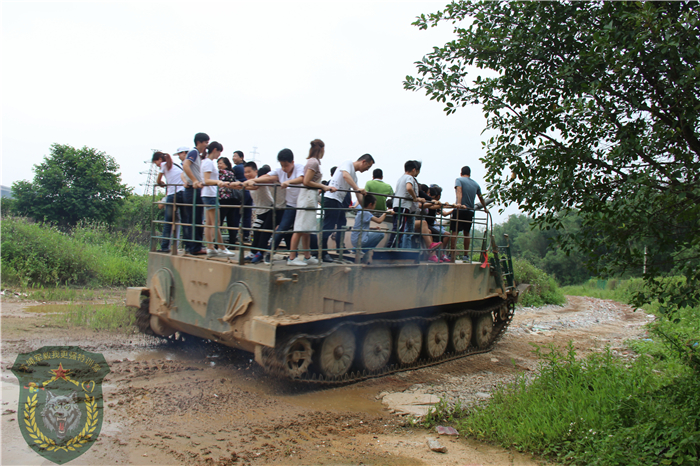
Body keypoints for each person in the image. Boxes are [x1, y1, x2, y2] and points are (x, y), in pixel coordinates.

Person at [243, 148, 305, 263]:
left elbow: (302, 178)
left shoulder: (296, 170)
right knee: (270, 230)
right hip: (279, 207)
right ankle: (261, 253)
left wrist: (288, 182)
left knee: (289, 232)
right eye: (282, 165)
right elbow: (267, 177)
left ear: (292, 162)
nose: (284, 168)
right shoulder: (278, 174)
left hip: (292, 206)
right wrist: (250, 181)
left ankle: (293, 255)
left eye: (286, 165)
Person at [287, 139, 337, 266]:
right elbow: (307, 181)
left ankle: (307, 256)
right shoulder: (313, 162)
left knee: (306, 229)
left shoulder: (312, 162)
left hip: (309, 196)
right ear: (321, 149)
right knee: (299, 228)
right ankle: (292, 258)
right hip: (308, 196)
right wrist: (323, 186)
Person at [321, 154, 375, 262]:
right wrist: (358, 188)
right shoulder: (348, 163)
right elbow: (345, 175)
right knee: (329, 226)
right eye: (367, 167)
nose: (367, 170)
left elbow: (358, 194)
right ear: (363, 162)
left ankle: (340, 247)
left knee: (342, 222)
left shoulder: (354, 177)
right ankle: (321, 252)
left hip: (338, 201)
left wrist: (365, 207)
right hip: (331, 198)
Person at [201, 142, 235, 258]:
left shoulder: (206, 162)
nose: (219, 155)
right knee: (216, 222)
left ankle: (210, 247)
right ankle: (221, 247)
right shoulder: (208, 163)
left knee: (210, 223)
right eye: (219, 152)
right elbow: (206, 180)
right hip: (210, 194)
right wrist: (218, 182)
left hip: (208, 194)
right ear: (215, 150)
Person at [449, 166, 489, 262]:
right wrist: (485, 208)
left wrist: (458, 204)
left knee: (455, 231)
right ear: (470, 174)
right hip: (470, 211)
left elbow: (459, 192)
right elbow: (481, 197)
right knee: (466, 233)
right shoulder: (475, 184)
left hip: (460, 209)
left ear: (461, 173)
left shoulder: (459, 180)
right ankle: (466, 255)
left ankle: (452, 254)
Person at [152, 149, 186, 253]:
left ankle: (165, 247)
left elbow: (158, 181)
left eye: (155, 163)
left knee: (168, 221)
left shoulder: (163, 165)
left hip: (173, 195)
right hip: (183, 193)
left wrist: (162, 183)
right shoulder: (175, 165)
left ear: (159, 159)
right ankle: (189, 246)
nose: (157, 165)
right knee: (185, 221)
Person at [182, 132, 210, 255]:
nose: (206, 145)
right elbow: (185, 165)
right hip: (193, 190)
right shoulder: (193, 152)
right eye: (206, 143)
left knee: (191, 219)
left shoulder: (197, 154)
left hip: (191, 190)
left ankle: (190, 246)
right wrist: (194, 180)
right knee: (196, 219)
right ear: (199, 142)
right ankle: (195, 247)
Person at [243, 162, 274, 264]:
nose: (247, 174)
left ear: (255, 171)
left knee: (263, 233)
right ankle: (254, 253)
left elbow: (255, 187)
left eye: (249, 172)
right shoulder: (249, 182)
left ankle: (260, 254)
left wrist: (241, 185)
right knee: (256, 231)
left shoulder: (258, 180)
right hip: (260, 211)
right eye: (245, 172)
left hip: (269, 209)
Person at [389, 160, 424, 249]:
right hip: (403, 205)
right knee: (400, 228)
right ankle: (392, 247)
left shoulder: (401, 178)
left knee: (398, 227)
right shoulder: (409, 178)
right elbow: (409, 188)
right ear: (413, 170)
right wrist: (415, 197)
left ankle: (393, 246)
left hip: (397, 204)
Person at [217, 157, 242, 248]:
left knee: (219, 221)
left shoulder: (222, 173)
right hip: (234, 200)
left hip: (224, 199)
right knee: (232, 222)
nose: (219, 166)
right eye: (218, 164)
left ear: (226, 164)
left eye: (221, 163)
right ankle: (232, 242)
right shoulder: (232, 173)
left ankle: (216, 243)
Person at [232, 150, 253, 243]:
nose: (233, 158)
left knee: (237, 214)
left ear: (241, 157)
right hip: (250, 191)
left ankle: (234, 235)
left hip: (241, 192)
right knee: (247, 215)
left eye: (235, 156)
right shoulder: (245, 167)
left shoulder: (236, 168)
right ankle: (246, 235)